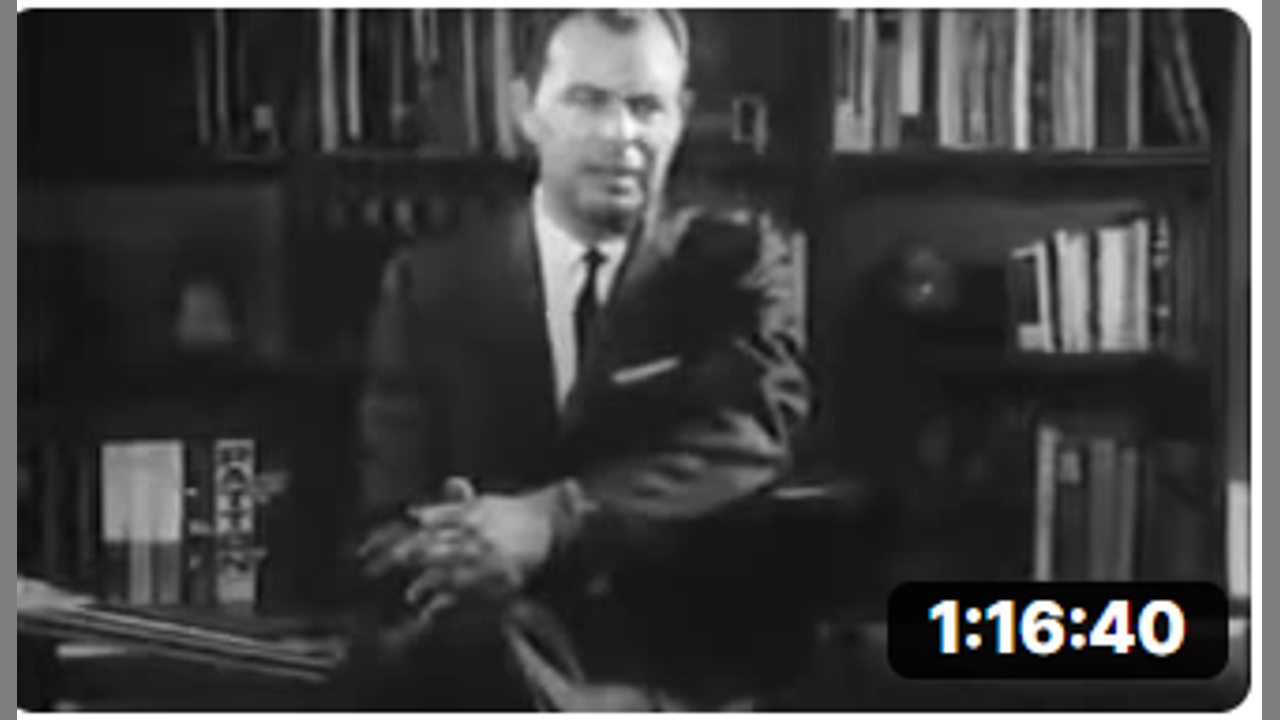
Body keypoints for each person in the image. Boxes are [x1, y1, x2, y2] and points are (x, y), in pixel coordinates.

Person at [333, 9, 811, 711]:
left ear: (680, 119)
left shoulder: (736, 263)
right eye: (587, 101)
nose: (621, 136)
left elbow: (749, 434)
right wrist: (457, 552)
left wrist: (549, 521)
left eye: (645, 107)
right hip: (489, 659)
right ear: (526, 111)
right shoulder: (429, 285)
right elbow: (390, 514)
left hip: (679, 671)